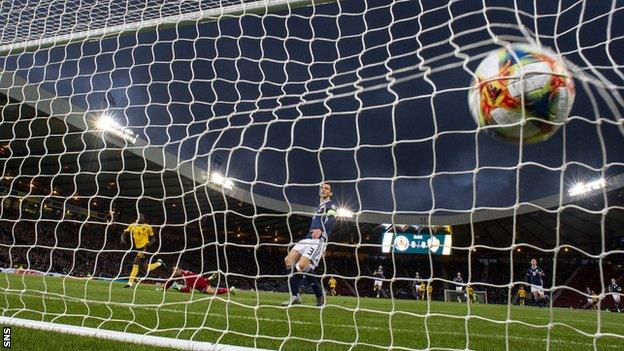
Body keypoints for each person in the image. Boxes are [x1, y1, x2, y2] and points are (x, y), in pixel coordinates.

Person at [282, 183, 337, 307]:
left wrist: (321, 231)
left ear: (330, 193)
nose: (323, 189)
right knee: (288, 260)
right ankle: (295, 296)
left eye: (327, 188)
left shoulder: (330, 205)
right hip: (307, 238)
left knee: (302, 266)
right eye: (322, 188)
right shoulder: (319, 207)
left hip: (318, 240)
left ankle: (319, 295)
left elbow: (333, 219)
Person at [120, 213, 164, 288]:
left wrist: (150, 243)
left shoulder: (147, 226)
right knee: (145, 267)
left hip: (145, 247)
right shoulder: (132, 225)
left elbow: (153, 238)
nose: (138, 218)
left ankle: (130, 283)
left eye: (140, 217)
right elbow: (124, 233)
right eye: (137, 217)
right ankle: (159, 263)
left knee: (136, 262)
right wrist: (122, 238)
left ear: (143, 218)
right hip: (136, 248)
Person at [163, 266, 236, 295]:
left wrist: (177, 287)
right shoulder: (183, 273)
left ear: (180, 269)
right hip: (199, 279)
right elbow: (171, 280)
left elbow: (187, 290)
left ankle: (230, 289)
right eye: (173, 270)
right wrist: (164, 288)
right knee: (204, 281)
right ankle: (210, 278)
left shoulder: (185, 276)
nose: (174, 272)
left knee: (212, 292)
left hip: (200, 284)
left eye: (175, 270)